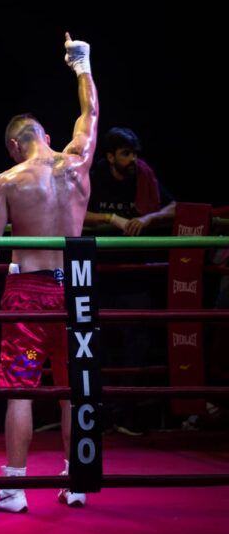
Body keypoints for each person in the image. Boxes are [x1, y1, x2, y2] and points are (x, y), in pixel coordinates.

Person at [0, 33, 98, 512]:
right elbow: (91, 115)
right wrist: (81, 64)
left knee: (20, 389)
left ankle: (14, 490)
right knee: (72, 386)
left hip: (28, 289)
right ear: (46, 137)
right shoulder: (76, 161)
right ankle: (77, 480)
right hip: (76, 288)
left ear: (16, 145)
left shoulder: (9, 180)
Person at [84, 128, 176, 436]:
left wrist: (149, 219)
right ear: (110, 156)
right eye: (125, 154)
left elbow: (173, 206)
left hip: (134, 274)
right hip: (100, 274)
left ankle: (125, 413)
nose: (132, 159)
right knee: (98, 342)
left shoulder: (143, 175)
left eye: (134, 153)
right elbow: (76, 212)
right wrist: (111, 219)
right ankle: (101, 415)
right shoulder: (95, 176)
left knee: (137, 341)